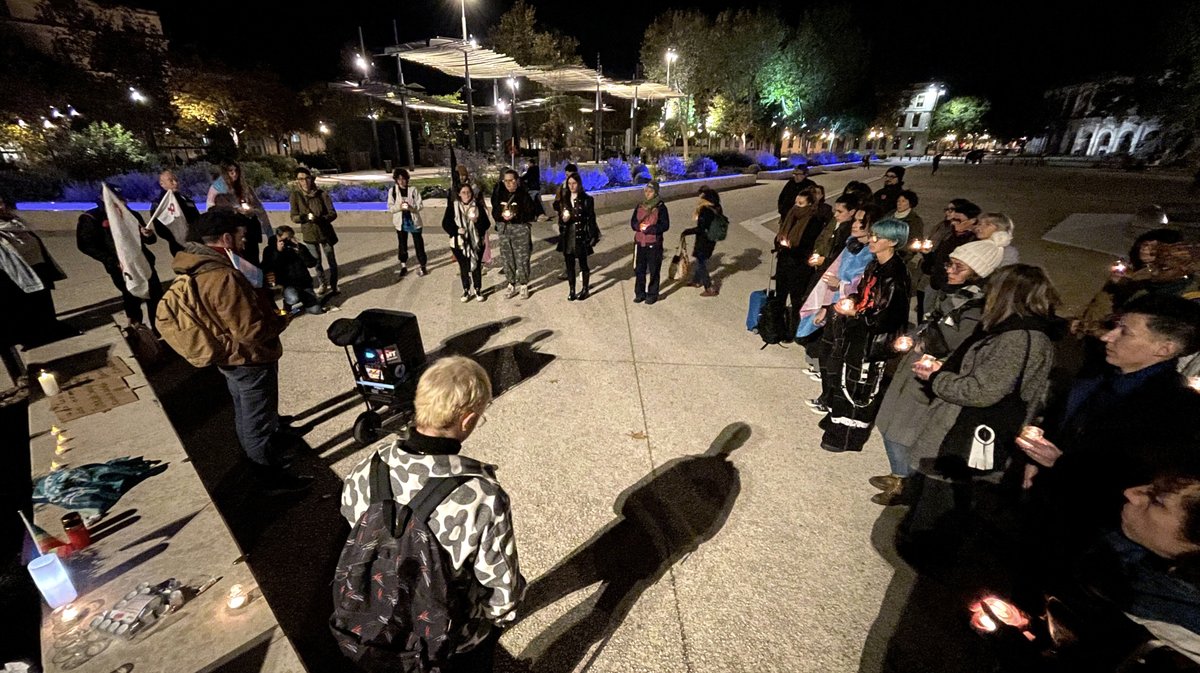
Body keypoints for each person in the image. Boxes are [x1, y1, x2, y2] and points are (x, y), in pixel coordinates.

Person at [339, 356, 526, 672]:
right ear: (466, 421)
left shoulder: (366, 469)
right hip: (452, 641)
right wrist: (497, 622)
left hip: (377, 626)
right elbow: (501, 587)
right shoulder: (481, 495)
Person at [1019, 295, 1200, 561]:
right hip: (1041, 514)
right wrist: (1034, 459)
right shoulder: (1096, 376)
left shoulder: (1175, 410)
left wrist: (1061, 464)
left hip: (1088, 540)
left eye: (1125, 332)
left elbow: (1134, 481)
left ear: (1164, 349)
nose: (1107, 337)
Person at [901, 264, 1061, 542]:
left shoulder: (1018, 338)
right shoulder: (1016, 333)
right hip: (965, 427)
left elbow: (982, 391)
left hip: (968, 434)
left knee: (940, 510)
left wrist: (937, 378)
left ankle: (925, 561)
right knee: (935, 502)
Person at [165, 208, 310, 493]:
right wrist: (282, 319)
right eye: (242, 236)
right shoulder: (222, 276)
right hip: (249, 359)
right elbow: (250, 331)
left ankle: (260, 459)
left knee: (246, 414)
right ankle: (268, 478)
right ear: (227, 238)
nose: (245, 241)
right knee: (257, 421)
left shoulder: (196, 266)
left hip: (230, 358)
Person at [872, 238, 1007, 506]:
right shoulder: (955, 295)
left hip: (928, 376)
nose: (950, 270)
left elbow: (959, 346)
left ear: (978, 274)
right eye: (950, 263)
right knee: (889, 425)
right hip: (915, 367)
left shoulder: (975, 308)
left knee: (901, 433)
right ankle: (899, 474)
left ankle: (906, 486)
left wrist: (927, 339)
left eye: (959, 267)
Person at [817, 218, 911, 453]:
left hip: (873, 340)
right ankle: (837, 420)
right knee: (844, 377)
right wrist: (852, 302)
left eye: (878, 237)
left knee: (862, 386)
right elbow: (862, 293)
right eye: (872, 235)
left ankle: (850, 435)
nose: (872, 240)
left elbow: (886, 316)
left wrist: (857, 313)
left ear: (892, 242)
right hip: (857, 332)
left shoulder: (896, 275)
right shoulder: (875, 265)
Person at [76, 191, 164, 330]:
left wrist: (148, 235)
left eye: (123, 199)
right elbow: (86, 245)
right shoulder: (92, 218)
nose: (123, 203)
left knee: (155, 295)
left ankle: (159, 328)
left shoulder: (132, 215)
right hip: (120, 266)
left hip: (143, 262)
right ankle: (136, 329)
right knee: (132, 296)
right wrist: (110, 260)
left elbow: (150, 240)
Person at [0, 195, 75, 348]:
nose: (2, 207)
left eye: (1, 202)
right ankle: (32, 335)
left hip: (37, 265)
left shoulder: (15, 221)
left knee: (43, 300)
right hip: (15, 273)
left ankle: (49, 327)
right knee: (23, 305)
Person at [289, 167, 339, 296]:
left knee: (331, 260)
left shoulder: (321, 194)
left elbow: (332, 213)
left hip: (325, 232)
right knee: (316, 262)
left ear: (311, 179)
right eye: (301, 179)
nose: (305, 182)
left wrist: (321, 219)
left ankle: (334, 284)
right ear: (297, 181)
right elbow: (293, 216)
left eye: (307, 178)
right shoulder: (296, 196)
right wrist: (304, 218)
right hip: (309, 233)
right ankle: (322, 283)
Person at [774, 188, 820, 329]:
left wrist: (790, 247)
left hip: (799, 266)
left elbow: (808, 245)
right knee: (779, 297)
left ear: (810, 204)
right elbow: (779, 235)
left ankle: (795, 329)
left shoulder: (814, 221)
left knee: (796, 300)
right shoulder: (790, 216)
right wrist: (780, 243)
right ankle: (777, 328)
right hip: (784, 262)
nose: (796, 206)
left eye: (801, 203)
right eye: (796, 202)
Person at [207, 161, 270, 264]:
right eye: (230, 171)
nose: (234, 174)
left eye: (236, 170)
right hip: (232, 233)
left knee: (253, 261)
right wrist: (235, 211)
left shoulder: (244, 187)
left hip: (250, 231)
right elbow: (213, 213)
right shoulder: (217, 190)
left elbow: (260, 209)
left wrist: (269, 233)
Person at [491, 169, 537, 299]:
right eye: (506, 181)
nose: (509, 183)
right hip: (504, 229)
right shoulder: (499, 193)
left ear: (517, 180)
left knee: (522, 257)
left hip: (520, 228)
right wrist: (501, 216)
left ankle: (523, 284)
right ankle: (511, 283)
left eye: (512, 180)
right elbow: (494, 211)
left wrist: (516, 215)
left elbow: (531, 213)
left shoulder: (523, 194)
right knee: (507, 257)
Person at [442, 183, 491, 302]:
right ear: (459, 194)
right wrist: (456, 230)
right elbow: (445, 223)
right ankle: (466, 289)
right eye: (463, 192)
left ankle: (478, 289)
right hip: (459, 243)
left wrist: (476, 221)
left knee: (476, 266)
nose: (466, 195)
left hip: (476, 242)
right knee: (464, 266)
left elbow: (486, 224)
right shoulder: (453, 207)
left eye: (468, 192)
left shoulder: (477, 206)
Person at [555, 172, 599, 301]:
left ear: (579, 184)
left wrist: (592, 235)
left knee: (583, 263)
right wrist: (564, 219)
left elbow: (591, 218)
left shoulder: (587, 199)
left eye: (574, 183)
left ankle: (585, 289)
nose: (571, 186)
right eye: (569, 183)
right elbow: (561, 217)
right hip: (568, 234)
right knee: (569, 264)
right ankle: (572, 289)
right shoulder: (564, 199)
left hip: (581, 234)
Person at [261, 225, 322, 315]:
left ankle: (306, 301)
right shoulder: (270, 250)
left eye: (291, 238)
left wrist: (300, 250)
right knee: (293, 298)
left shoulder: (299, 247)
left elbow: (312, 263)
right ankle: (287, 304)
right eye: (285, 239)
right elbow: (267, 268)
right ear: (278, 237)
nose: (288, 241)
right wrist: (278, 252)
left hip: (305, 284)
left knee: (316, 310)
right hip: (288, 285)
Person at [921, 199, 980, 293]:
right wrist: (927, 253)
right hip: (937, 285)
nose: (953, 223)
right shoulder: (950, 237)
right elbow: (937, 259)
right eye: (953, 220)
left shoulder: (974, 243)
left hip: (954, 290)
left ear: (972, 220)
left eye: (958, 220)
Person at [630, 181, 670, 305]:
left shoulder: (661, 207)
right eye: (646, 191)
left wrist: (650, 229)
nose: (647, 194)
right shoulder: (640, 206)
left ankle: (652, 294)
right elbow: (633, 222)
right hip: (640, 243)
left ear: (656, 192)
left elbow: (665, 225)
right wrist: (638, 226)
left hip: (653, 244)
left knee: (654, 270)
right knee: (639, 270)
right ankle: (640, 293)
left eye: (650, 191)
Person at [682, 186, 722, 297]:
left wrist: (687, 231)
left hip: (704, 241)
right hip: (711, 239)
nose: (699, 198)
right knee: (701, 261)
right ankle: (696, 281)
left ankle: (709, 288)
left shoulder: (705, 210)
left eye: (701, 196)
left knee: (701, 263)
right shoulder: (717, 208)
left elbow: (701, 228)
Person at [387, 168, 427, 277]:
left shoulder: (413, 190)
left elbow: (420, 206)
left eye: (403, 179)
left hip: (414, 221)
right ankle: (403, 265)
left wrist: (411, 208)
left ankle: (423, 265)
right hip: (401, 222)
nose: (401, 181)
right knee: (402, 245)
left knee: (419, 244)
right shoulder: (393, 191)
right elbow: (390, 208)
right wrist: (399, 207)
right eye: (399, 179)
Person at [150, 169, 200, 255]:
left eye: (176, 180)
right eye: (171, 181)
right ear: (162, 184)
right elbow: (160, 229)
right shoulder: (160, 205)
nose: (175, 183)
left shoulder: (186, 200)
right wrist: (176, 237)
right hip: (178, 246)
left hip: (196, 242)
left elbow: (197, 219)